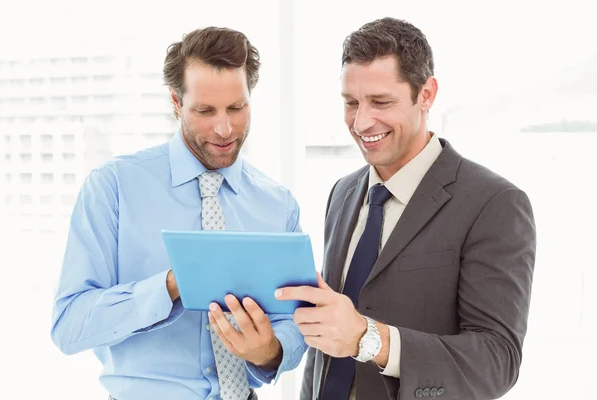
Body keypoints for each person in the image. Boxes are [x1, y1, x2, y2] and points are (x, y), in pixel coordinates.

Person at [276, 17, 536, 400]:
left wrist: (369, 339)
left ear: (426, 94)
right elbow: (329, 345)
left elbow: (497, 361)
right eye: (351, 103)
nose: (362, 122)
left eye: (381, 102)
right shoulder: (344, 193)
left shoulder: (493, 203)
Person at [51, 26, 307, 400]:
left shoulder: (278, 204)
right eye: (205, 111)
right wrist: (171, 285)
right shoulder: (114, 187)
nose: (225, 128)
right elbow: (69, 326)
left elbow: (295, 322)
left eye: (237, 107)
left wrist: (269, 352)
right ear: (175, 102)